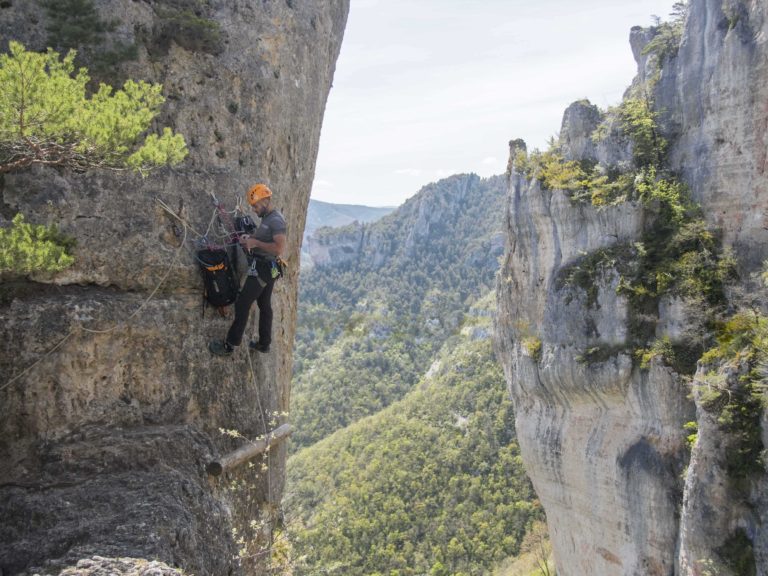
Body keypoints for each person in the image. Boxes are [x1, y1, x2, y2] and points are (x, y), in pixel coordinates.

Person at [209, 183, 286, 356]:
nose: (254, 210)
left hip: (263, 268)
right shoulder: (268, 218)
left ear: (266, 201)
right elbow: (265, 239)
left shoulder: (276, 220)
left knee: (243, 303)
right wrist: (249, 238)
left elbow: (279, 248)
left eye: (256, 205)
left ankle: (229, 345)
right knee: (264, 304)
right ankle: (264, 343)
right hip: (269, 268)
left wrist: (255, 243)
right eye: (253, 206)